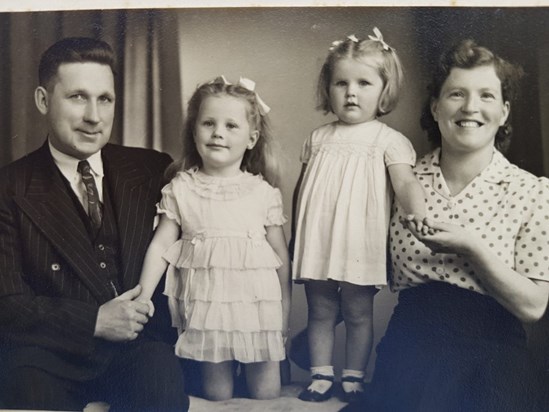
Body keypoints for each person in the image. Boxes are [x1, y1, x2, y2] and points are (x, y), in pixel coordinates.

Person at [343, 39, 549, 412]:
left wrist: (472, 248)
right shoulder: (396, 181)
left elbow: (533, 307)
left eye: (486, 96)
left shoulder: (534, 192)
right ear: (436, 107)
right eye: (456, 94)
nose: (471, 107)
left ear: (503, 112)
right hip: (410, 353)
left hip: (495, 362)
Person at [0, 37, 189, 411]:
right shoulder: (9, 187)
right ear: (43, 100)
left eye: (105, 99)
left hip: (139, 350)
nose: (94, 116)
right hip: (47, 356)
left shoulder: (153, 169)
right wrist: (93, 320)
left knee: (162, 386)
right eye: (77, 97)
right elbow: (6, 301)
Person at [291, 28, 427, 403]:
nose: (351, 92)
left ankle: (353, 376)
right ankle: (321, 375)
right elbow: (302, 189)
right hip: (318, 236)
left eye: (364, 83)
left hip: (359, 239)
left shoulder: (388, 139)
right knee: (319, 309)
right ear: (328, 89)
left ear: (384, 91)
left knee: (356, 311)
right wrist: (295, 237)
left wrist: (419, 214)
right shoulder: (318, 138)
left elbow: (406, 184)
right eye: (341, 83)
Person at [138, 75, 291, 401]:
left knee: (267, 393)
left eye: (231, 126)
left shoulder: (263, 193)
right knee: (217, 396)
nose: (218, 132)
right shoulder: (181, 188)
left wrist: (284, 315)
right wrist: (143, 295)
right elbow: (161, 245)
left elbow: (280, 260)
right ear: (194, 132)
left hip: (258, 314)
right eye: (208, 123)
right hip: (208, 316)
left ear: (252, 138)